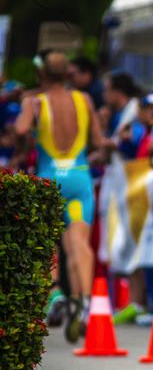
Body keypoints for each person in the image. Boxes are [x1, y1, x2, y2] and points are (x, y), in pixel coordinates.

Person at [15, 50, 104, 341]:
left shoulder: (35, 101)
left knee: (49, 244)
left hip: (49, 178)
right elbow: (98, 141)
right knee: (78, 243)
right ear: (67, 73)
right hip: (79, 176)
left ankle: (56, 295)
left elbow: (21, 128)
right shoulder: (84, 100)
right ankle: (86, 303)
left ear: (41, 73)